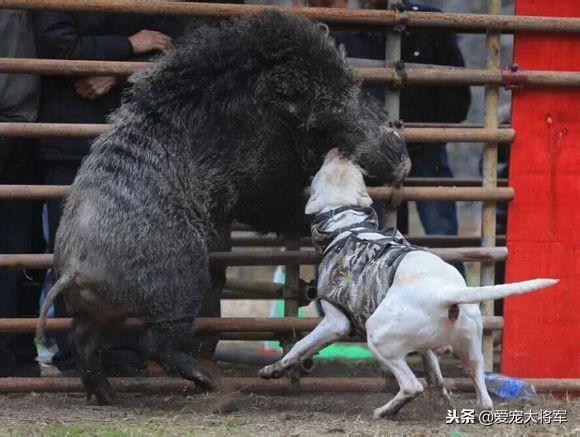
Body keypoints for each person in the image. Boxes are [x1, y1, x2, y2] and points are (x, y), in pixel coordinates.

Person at [33, 11, 187, 374]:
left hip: (134, 140)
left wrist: (116, 70)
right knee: (74, 254)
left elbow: (172, 47)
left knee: (135, 250)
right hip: (70, 135)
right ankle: (78, 353)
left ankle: (125, 352)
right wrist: (129, 46)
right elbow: (55, 44)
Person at [327, 0, 471, 246]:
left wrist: (430, 132)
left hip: (419, 145)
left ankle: (448, 276)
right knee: (396, 229)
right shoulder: (348, 29)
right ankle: (423, 277)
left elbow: (456, 94)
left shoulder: (428, 23)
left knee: (436, 228)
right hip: (379, 152)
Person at [0, 9, 41, 377]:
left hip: (18, 130)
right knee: (16, 246)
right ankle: (13, 351)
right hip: (15, 125)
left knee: (20, 248)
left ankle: (15, 349)